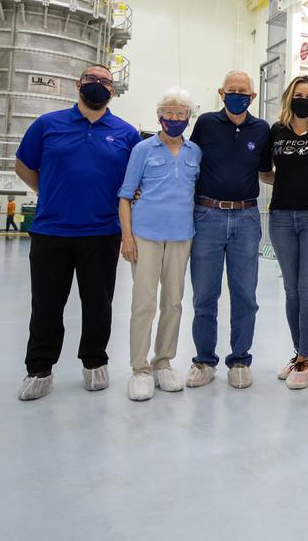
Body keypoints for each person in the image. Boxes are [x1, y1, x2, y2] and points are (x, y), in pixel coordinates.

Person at [12, 64, 140, 401]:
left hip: (101, 232)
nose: (97, 85)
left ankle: (95, 362)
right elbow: (23, 165)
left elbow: (134, 183)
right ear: (78, 85)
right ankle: (40, 368)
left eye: (105, 82)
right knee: (46, 304)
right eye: (91, 80)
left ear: (112, 91)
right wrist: (49, 190)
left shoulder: (126, 134)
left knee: (99, 304)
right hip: (51, 230)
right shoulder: (47, 125)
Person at [187, 70, 273, 390]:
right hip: (207, 215)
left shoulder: (262, 129)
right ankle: (204, 360)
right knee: (205, 295)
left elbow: (267, 172)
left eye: (244, 91)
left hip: (247, 218)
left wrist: (302, 182)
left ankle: (239, 359)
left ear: (252, 97)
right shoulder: (207, 124)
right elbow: (189, 165)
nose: (237, 95)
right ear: (222, 93)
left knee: (244, 295)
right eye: (231, 90)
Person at [118, 89, 201, 401]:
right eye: (169, 112)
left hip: (182, 236)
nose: (175, 118)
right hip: (145, 235)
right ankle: (139, 368)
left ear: (189, 118)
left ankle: (162, 361)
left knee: (174, 302)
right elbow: (126, 196)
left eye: (181, 113)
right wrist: (127, 237)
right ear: (159, 116)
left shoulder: (195, 152)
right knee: (143, 302)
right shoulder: (143, 149)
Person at [260, 75, 308, 391]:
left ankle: (305, 357)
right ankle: (297, 354)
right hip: (281, 217)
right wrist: (288, 183)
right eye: (298, 94)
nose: (303, 99)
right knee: (291, 290)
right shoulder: (275, 131)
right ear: (289, 97)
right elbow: (264, 170)